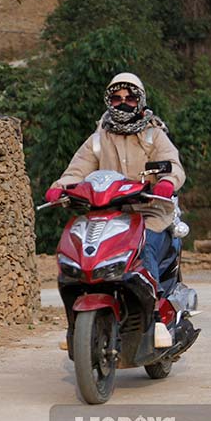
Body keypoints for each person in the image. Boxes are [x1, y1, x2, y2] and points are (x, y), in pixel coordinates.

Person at [45, 72, 186, 287]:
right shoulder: (98, 138)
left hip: (149, 213)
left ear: (140, 101)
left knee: (143, 248)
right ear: (109, 101)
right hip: (108, 216)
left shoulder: (153, 135)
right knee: (83, 247)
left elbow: (172, 164)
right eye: (116, 99)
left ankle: (154, 310)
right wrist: (60, 187)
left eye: (130, 98)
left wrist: (167, 182)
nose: (123, 103)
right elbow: (77, 170)